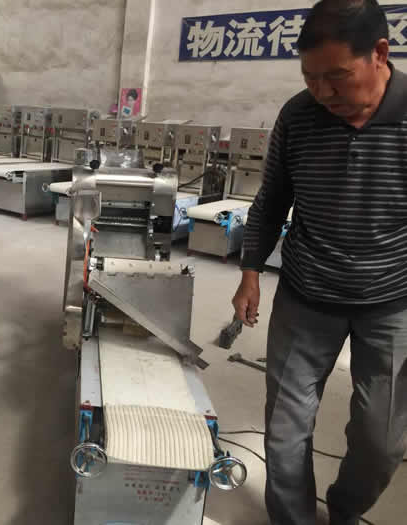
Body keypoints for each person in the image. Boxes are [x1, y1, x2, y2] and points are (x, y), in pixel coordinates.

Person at [233, 1, 407, 524]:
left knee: (381, 441)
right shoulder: (299, 115)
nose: (323, 92)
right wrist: (250, 272)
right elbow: (272, 200)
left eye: (337, 76)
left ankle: (344, 512)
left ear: (380, 54)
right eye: (310, 78)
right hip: (305, 294)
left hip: (391, 301)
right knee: (285, 431)